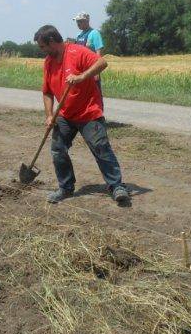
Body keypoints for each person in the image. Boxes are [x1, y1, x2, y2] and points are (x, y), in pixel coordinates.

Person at [34, 24, 129, 205]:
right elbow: (47, 92)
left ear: (52, 41)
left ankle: (117, 186)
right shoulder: (48, 62)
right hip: (65, 115)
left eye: (43, 46)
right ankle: (66, 188)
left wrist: (81, 77)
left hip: (88, 112)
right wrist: (49, 115)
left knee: (101, 149)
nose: (42, 51)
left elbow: (102, 63)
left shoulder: (78, 52)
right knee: (58, 150)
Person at [73, 11, 105, 105]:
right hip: (80, 70)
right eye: (77, 22)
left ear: (87, 21)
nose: (78, 24)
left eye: (80, 21)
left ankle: (99, 115)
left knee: (95, 93)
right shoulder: (79, 36)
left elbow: (98, 51)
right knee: (83, 94)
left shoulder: (94, 33)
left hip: (91, 69)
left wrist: (97, 71)